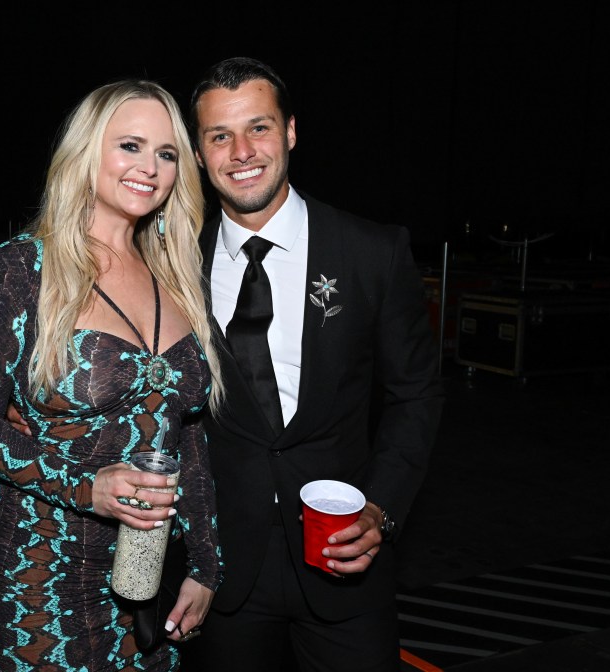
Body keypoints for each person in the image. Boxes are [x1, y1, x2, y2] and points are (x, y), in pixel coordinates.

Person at [0, 79, 225, 672]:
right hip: (40, 567)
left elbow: (189, 440)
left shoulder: (177, 278)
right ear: (87, 152)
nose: (149, 167)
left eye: (167, 153)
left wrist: (205, 565)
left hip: (147, 569)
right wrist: (86, 486)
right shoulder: (21, 268)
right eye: (130, 145)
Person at [178, 57, 445, 672]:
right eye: (220, 135)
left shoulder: (372, 252)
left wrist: (381, 506)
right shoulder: (171, 266)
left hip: (346, 568)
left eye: (259, 128)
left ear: (291, 131)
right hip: (221, 574)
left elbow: (416, 395)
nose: (241, 151)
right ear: (198, 151)